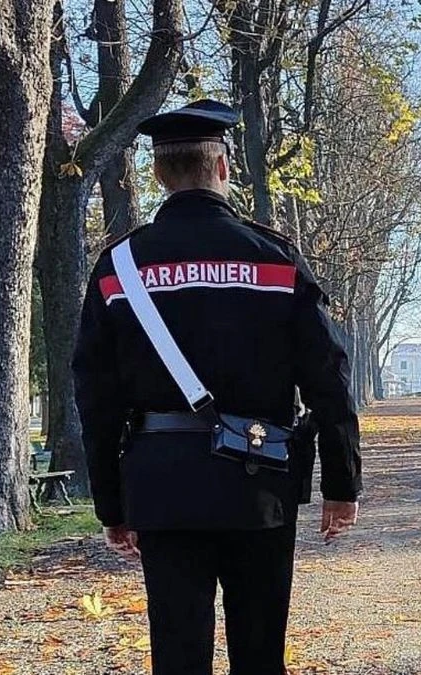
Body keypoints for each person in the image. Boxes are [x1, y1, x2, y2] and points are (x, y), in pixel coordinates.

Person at [72, 99, 362, 675]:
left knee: (178, 654)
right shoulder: (276, 259)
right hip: (259, 482)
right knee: (260, 653)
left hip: (163, 483)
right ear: (224, 168)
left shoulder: (119, 267)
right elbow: (328, 376)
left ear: (159, 175)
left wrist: (113, 504)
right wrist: (341, 482)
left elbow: (95, 396)